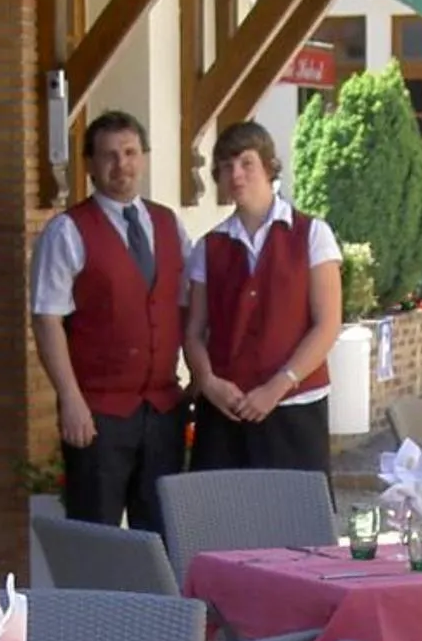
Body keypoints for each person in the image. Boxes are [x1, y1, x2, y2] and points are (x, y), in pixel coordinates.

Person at [27, 110, 189, 531]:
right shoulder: (67, 231)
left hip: (162, 410)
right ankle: (94, 602)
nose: (123, 165)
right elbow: (47, 320)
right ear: (91, 166)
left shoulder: (169, 224)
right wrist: (71, 399)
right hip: (98, 413)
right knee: (94, 532)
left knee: (162, 534)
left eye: (131, 153)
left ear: (145, 157)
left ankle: (156, 602)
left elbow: (187, 308)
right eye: (110, 156)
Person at [184, 121, 343, 477]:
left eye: (245, 163)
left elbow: (327, 323)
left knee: (296, 525)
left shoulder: (312, 234)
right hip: (226, 409)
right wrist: (208, 382)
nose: (235, 174)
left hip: (295, 408)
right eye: (225, 167)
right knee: (223, 525)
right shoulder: (209, 247)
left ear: (269, 166)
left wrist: (278, 385)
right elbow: (193, 331)